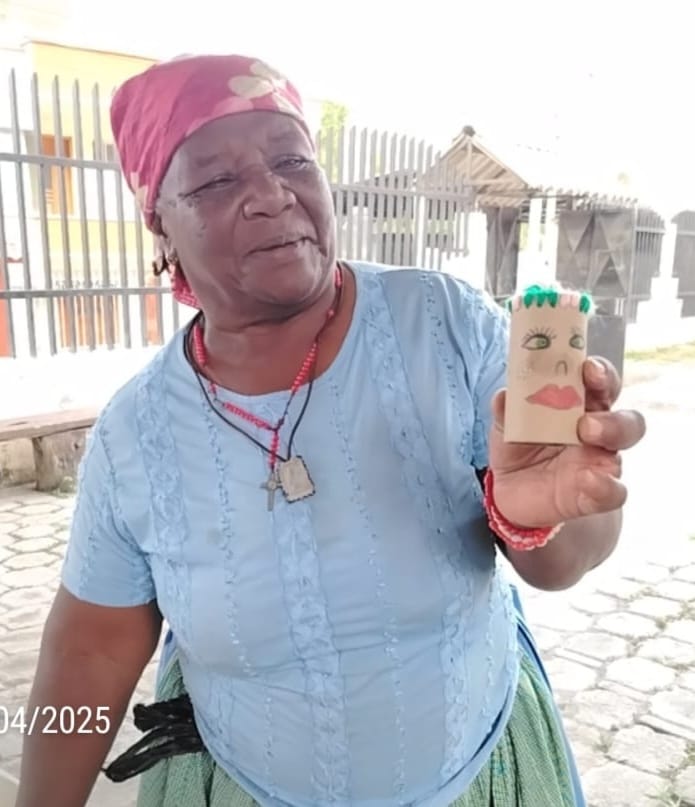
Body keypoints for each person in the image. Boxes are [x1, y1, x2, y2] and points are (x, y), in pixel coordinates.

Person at [15, 54, 646, 807]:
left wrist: (546, 513)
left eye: (291, 160)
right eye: (216, 180)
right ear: (160, 224)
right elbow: (87, 654)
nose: (270, 195)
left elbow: (568, 554)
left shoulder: (444, 327)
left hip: (477, 772)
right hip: (241, 783)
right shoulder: (136, 434)